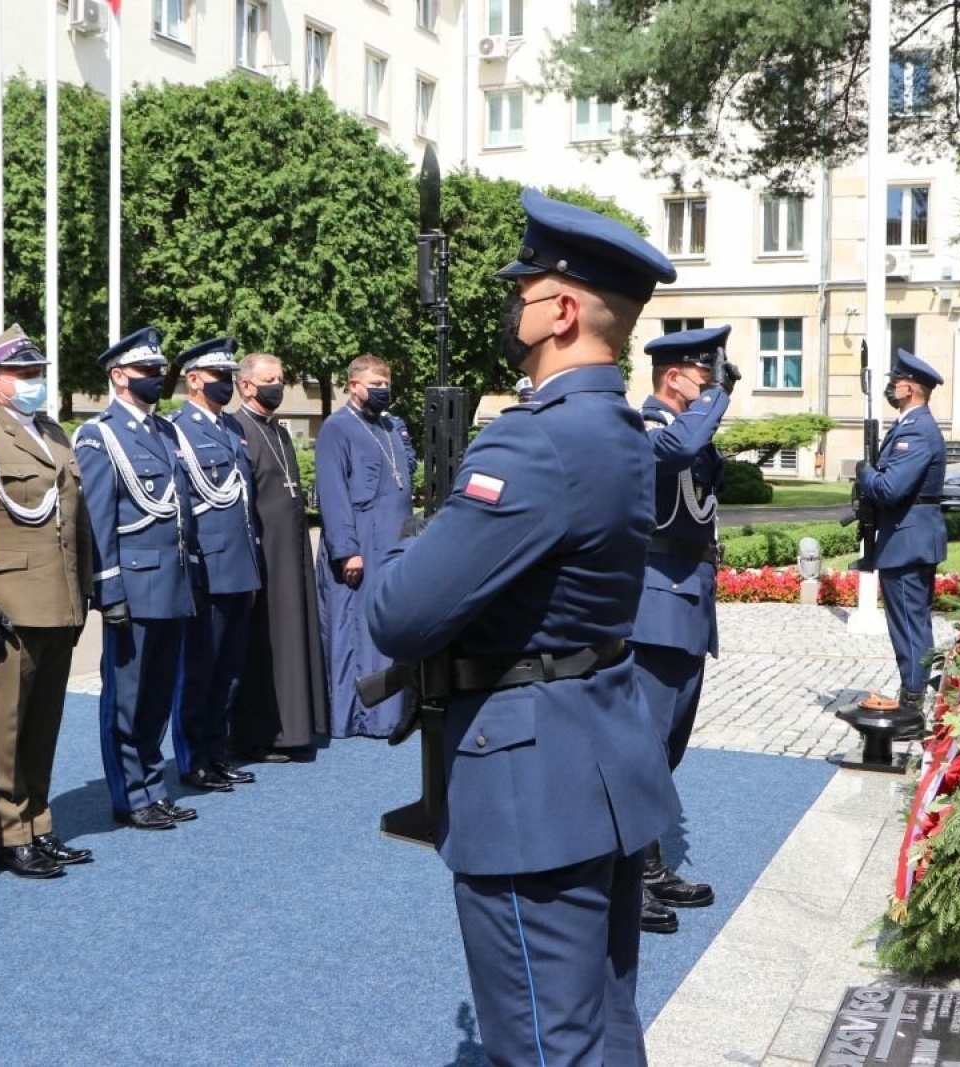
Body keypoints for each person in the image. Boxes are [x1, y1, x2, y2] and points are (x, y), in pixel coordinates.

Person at [366, 189, 681, 1067]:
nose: (516, 305)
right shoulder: (619, 427)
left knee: (545, 1044)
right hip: (600, 753)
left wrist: (419, 540)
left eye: (527, 288)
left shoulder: (532, 441)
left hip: (531, 780)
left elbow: (399, 613)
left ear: (565, 310)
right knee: (605, 1026)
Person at [0, 325, 94, 879]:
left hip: (57, 604)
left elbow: (75, 522)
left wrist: (83, 592)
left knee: (42, 724)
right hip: (5, 609)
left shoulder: (53, 434)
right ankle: (8, 835)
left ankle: (39, 823)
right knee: (2, 726)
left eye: (39, 374)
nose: (36, 383)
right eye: (25, 375)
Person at [633, 325, 741, 935]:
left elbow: (705, 481)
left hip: (688, 606)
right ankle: (625, 879)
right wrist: (712, 403)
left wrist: (710, 410)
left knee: (665, 750)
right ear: (674, 377)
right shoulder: (645, 428)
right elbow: (673, 456)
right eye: (703, 380)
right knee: (640, 749)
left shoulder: (689, 436)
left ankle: (649, 866)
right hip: (653, 609)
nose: (712, 392)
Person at [73, 326, 199, 830]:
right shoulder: (100, 435)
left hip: (171, 582)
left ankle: (153, 784)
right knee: (126, 697)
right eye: (147, 371)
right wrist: (109, 588)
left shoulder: (164, 431)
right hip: (134, 583)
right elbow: (99, 519)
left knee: (157, 694)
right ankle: (130, 796)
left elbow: (180, 512)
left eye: (159, 370)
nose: (156, 378)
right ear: (119, 376)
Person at [167, 337, 262, 791]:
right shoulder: (176, 430)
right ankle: (192, 759)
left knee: (229, 670)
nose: (225, 384)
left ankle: (217, 751)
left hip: (239, 566)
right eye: (218, 378)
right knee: (199, 671)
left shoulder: (230, 429)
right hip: (206, 569)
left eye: (228, 377)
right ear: (193, 380)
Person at [231, 352, 328, 761]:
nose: (279, 386)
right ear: (246, 385)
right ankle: (259, 734)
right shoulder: (237, 429)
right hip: (264, 556)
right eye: (271, 379)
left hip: (291, 552)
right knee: (264, 643)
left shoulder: (279, 431)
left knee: (294, 635)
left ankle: (297, 726)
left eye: (282, 378)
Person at [315, 355, 415, 738]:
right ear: (354, 385)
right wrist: (346, 549)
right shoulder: (337, 428)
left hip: (394, 540)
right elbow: (333, 493)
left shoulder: (391, 426)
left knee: (389, 622)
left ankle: (393, 712)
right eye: (375, 384)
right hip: (360, 541)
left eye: (386, 383)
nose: (383, 390)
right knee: (356, 629)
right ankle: (357, 716)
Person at [856, 348, 949, 733]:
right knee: (908, 624)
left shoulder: (916, 430)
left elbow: (891, 488)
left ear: (910, 388)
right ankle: (912, 696)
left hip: (909, 541)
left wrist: (864, 473)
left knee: (910, 626)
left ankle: (913, 709)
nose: (892, 387)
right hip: (906, 538)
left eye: (896, 382)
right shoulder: (909, 425)